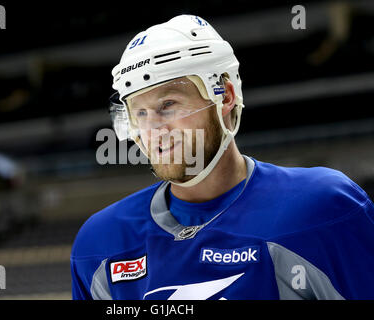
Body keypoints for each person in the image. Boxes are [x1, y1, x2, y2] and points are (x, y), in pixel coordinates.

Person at [71, 15, 374, 300]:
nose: (153, 130)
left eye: (169, 104)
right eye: (140, 113)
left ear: (225, 96)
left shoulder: (324, 207)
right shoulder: (100, 244)